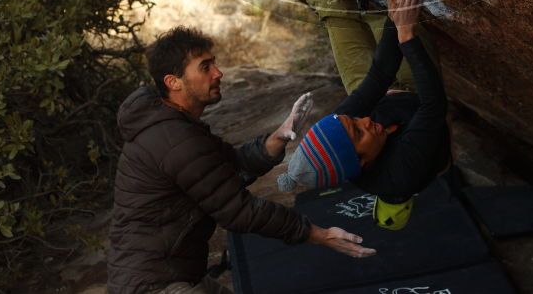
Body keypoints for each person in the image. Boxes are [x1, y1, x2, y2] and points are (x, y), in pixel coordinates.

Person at [107, 27, 375, 294]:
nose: (218, 73)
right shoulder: (174, 138)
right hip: (153, 284)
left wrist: (278, 138)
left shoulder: (174, 126)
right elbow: (239, 211)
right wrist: (318, 234)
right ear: (173, 82)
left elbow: (229, 166)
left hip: (170, 275)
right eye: (205, 67)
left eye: (214, 64)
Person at [270, 0, 452, 230]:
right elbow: (435, 103)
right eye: (359, 132)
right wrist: (404, 30)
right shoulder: (406, 169)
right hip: (417, 92)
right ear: (363, 163)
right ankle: (369, 7)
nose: (363, 120)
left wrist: (391, 18)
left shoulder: (341, 129)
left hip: (378, 86)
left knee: (335, 15)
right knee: (390, 14)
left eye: (351, 121)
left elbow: (379, 75)